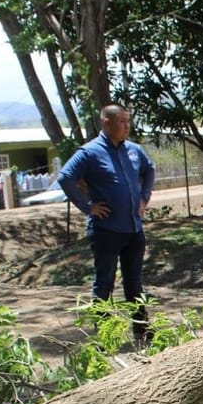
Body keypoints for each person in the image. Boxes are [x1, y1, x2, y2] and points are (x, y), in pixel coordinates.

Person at [58, 104, 155, 338]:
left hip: (133, 229)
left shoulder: (133, 150)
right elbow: (65, 177)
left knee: (134, 283)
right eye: (122, 122)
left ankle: (141, 329)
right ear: (107, 122)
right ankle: (104, 334)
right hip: (106, 231)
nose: (126, 127)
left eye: (128, 121)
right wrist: (88, 207)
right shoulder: (89, 152)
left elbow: (149, 169)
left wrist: (144, 199)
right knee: (104, 284)